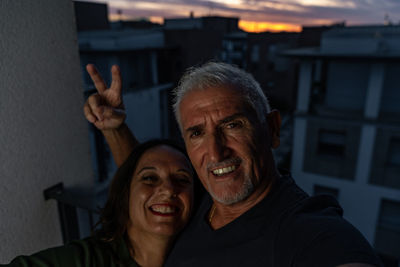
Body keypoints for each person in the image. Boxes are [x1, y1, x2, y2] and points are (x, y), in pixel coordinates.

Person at [84, 62, 382, 267]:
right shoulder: (197, 199)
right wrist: (114, 129)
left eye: (233, 125)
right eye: (197, 133)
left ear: (273, 129)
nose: (215, 153)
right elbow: (146, 181)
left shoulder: (304, 230)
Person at [2, 139, 194, 267]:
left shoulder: (204, 252)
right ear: (125, 194)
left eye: (182, 179)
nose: (169, 190)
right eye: (150, 178)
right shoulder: (87, 259)